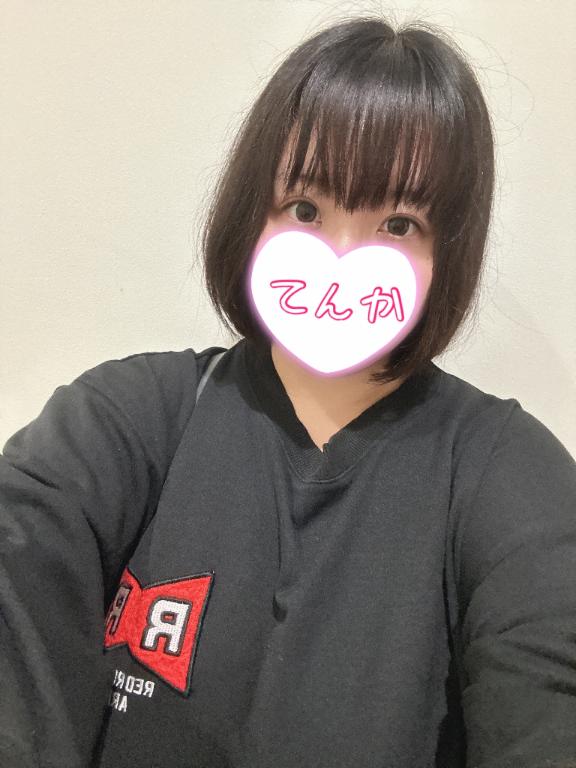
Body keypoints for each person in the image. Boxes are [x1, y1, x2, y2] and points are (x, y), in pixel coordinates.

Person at [1, 14, 575, 768]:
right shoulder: (125, 417)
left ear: (449, 251)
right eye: (306, 209)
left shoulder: (511, 473)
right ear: (253, 214)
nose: (342, 261)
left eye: (399, 224)